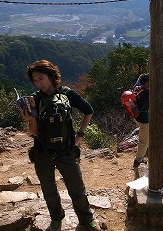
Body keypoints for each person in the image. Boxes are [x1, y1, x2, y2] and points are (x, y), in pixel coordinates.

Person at [20, 60, 101, 231]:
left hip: (66, 151)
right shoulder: (34, 99)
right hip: (42, 152)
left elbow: (89, 110)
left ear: (51, 76)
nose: (38, 83)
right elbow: (34, 133)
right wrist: (30, 119)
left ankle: (86, 219)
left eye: (41, 78)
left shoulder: (67, 94)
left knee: (77, 188)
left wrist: (79, 135)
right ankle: (56, 218)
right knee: (49, 190)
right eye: (35, 80)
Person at [133, 73, 149, 168]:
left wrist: (144, 76)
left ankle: (140, 157)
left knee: (143, 138)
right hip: (143, 120)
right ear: (147, 82)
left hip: (137, 117)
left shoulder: (137, 88)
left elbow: (139, 80)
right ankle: (138, 160)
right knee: (144, 141)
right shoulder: (146, 92)